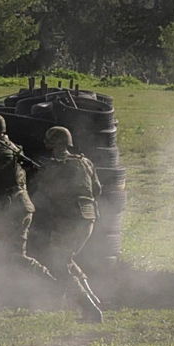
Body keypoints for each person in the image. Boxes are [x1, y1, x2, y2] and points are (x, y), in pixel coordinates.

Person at [0, 113, 58, 283]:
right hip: (14, 207)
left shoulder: (2, 151)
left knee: (15, 256)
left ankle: (54, 283)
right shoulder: (13, 147)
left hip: (13, 209)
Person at [32, 126, 103, 323]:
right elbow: (97, 190)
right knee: (66, 258)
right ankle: (92, 297)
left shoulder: (53, 166)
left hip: (68, 218)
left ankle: (89, 308)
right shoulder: (85, 162)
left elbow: (44, 194)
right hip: (89, 216)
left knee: (58, 262)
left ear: (50, 143)